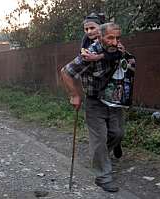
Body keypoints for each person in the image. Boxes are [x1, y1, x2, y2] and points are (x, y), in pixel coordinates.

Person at [61, 22, 124, 192]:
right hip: (95, 102)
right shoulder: (89, 53)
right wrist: (74, 95)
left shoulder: (116, 47)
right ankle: (103, 176)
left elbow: (121, 54)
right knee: (99, 140)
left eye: (117, 38)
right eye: (110, 38)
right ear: (100, 37)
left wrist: (101, 57)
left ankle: (101, 158)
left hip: (113, 100)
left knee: (117, 134)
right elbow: (65, 72)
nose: (114, 41)